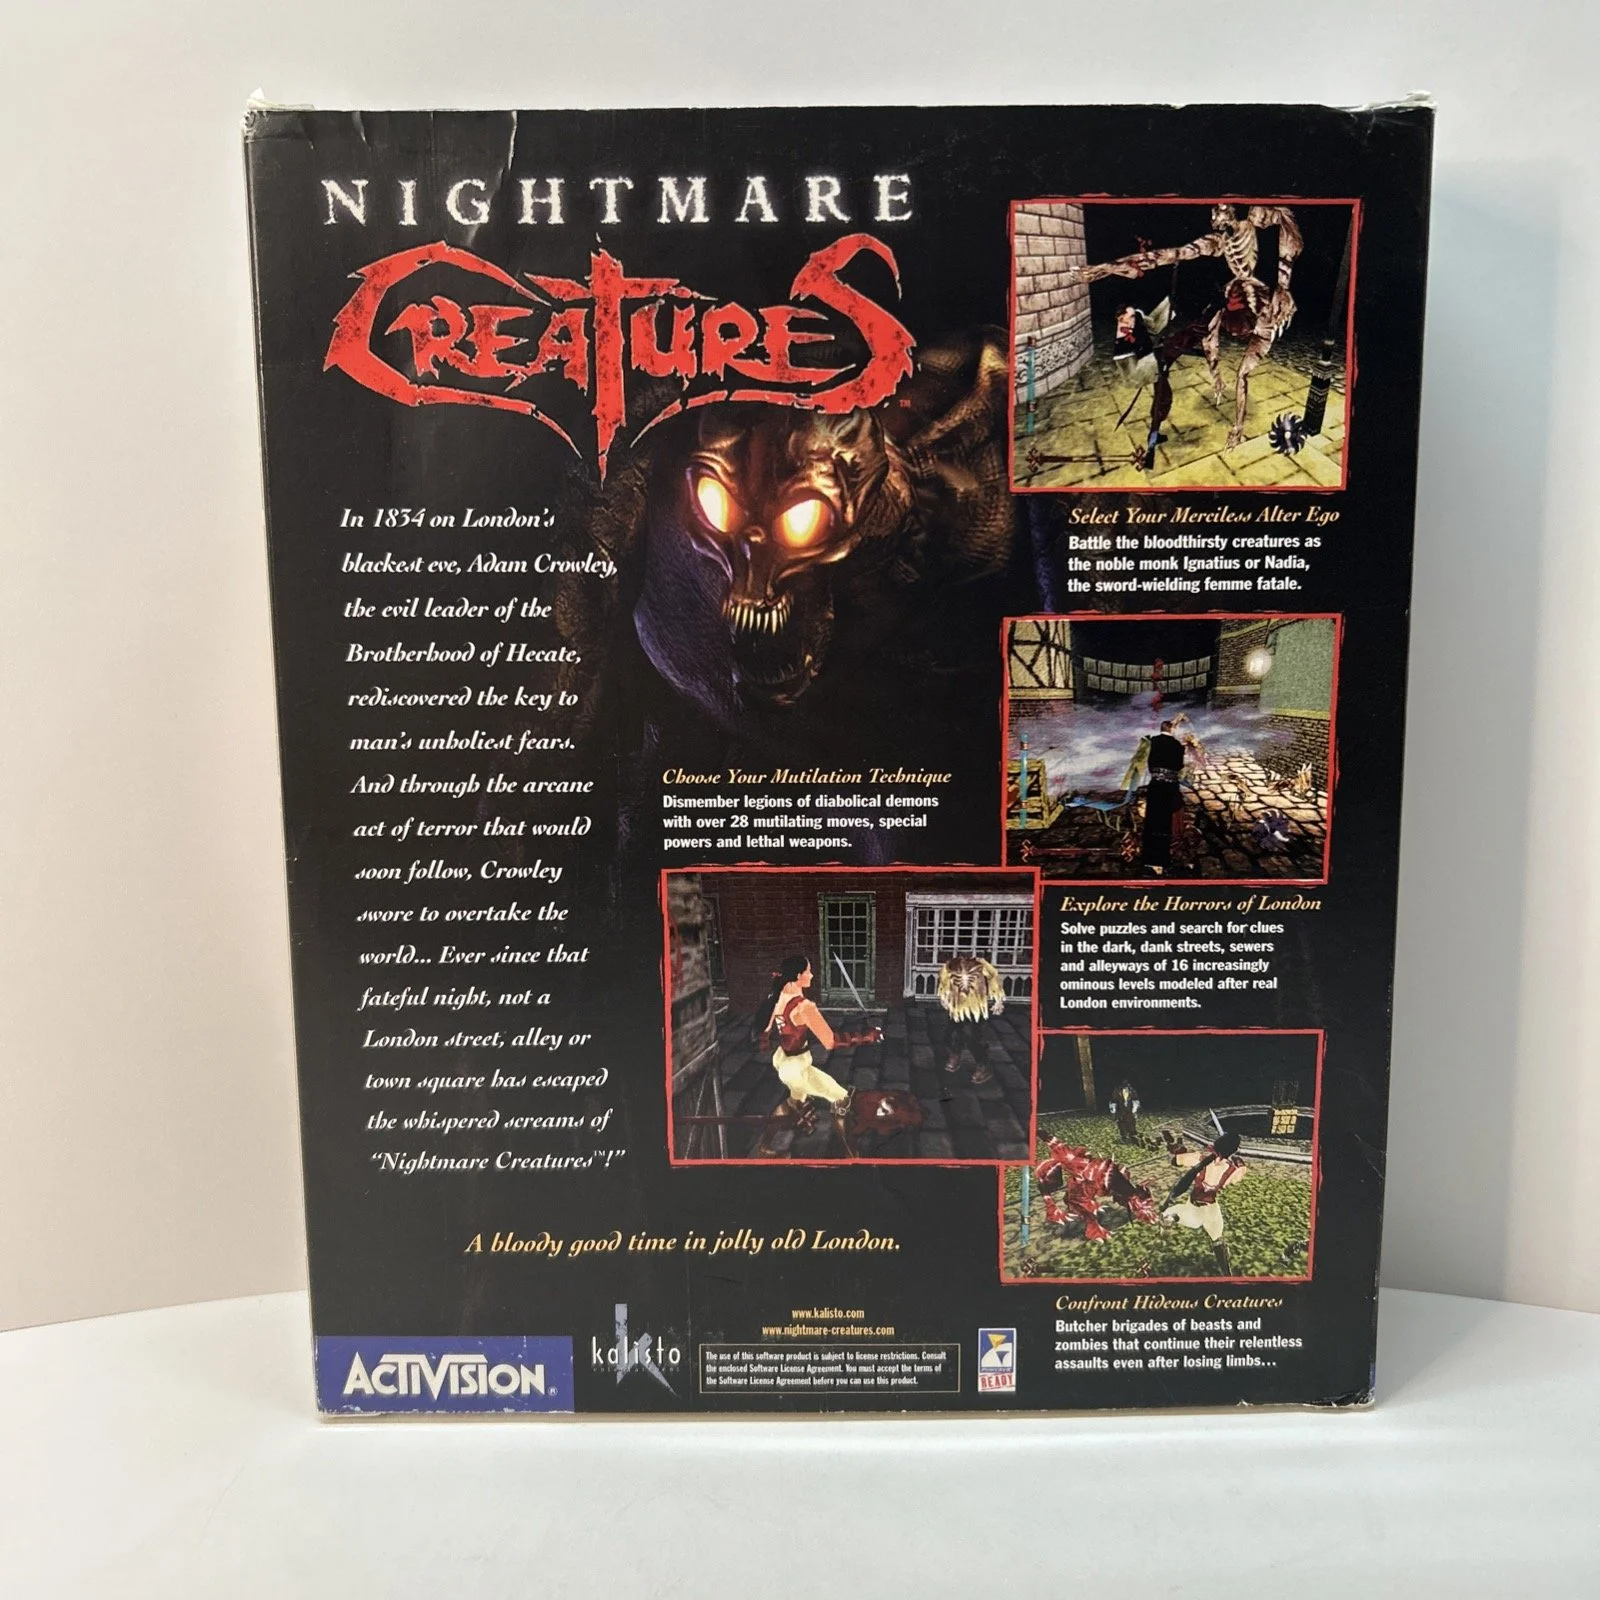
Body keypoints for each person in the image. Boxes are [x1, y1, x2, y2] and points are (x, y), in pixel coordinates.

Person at [755, 956, 880, 1153]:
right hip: (796, 1068)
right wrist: (866, 1037)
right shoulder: (804, 1007)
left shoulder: (778, 996)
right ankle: (852, 1156)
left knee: (794, 1101)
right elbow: (830, 1041)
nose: (812, 975)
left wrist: (772, 1039)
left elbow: (766, 1029)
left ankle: (764, 1147)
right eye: (808, 971)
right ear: (798, 976)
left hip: (784, 1062)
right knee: (841, 1099)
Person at [1162, 1129, 1247, 1273]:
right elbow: (1239, 1175)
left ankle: (1168, 1225)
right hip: (1210, 1207)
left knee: (1176, 1216)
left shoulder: (1198, 1158)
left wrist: (1181, 1153)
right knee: (1215, 1236)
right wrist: (1237, 1161)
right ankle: (1227, 1273)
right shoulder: (1235, 1169)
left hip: (1197, 1207)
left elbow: (1175, 1161)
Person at [937, 952, 1007, 1086]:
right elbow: (944, 982)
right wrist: (944, 997)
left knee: (974, 1038)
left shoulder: (981, 965)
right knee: (952, 1034)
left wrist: (998, 1000)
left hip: (976, 1007)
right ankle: (955, 1054)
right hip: (957, 1006)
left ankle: (983, 1065)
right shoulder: (949, 966)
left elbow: (993, 977)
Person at [1139, 718, 1187, 873]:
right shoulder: (1177, 746)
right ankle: (1162, 860)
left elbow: (1148, 763)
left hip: (1155, 785)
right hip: (1169, 787)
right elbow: (1179, 766)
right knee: (1165, 823)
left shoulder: (1152, 741)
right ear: (1172, 729)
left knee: (1152, 821)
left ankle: (1148, 859)